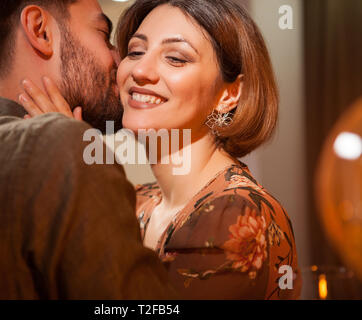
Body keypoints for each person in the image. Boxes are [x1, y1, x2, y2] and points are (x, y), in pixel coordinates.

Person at [20, 0, 302, 299]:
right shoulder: (136, 203)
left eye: (176, 58)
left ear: (229, 94)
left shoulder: (236, 211)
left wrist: (77, 175)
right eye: (135, 52)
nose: (140, 70)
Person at [0, 0, 177, 299]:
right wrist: (73, 147)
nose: (119, 58)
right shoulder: (64, 148)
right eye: (103, 34)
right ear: (40, 31)